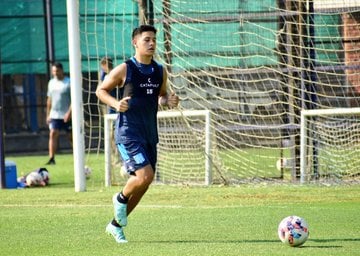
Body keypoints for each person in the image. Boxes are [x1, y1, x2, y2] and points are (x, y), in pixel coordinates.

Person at [96, 24, 179, 243]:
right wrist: (116, 104)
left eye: (153, 40)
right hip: (128, 132)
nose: (151, 43)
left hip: (149, 133)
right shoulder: (126, 68)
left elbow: (160, 96)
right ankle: (120, 197)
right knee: (144, 176)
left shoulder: (159, 70)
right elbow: (101, 91)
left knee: (144, 184)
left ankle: (115, 226)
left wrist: (167, 101)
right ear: (135, 42)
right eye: (146, 40)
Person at [45, 62, 72, 165]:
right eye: (53, 71)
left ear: (61, 70)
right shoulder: (51, 83)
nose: (55, 73)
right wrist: (48, 114)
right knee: (53, 133)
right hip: (55, 114)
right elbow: (49, 99)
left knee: (71, 136)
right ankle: (51, 158)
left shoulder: (68, 82)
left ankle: (78, 156)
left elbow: (73, 99)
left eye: (56, 71)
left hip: (67, 114)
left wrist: (69, 113)